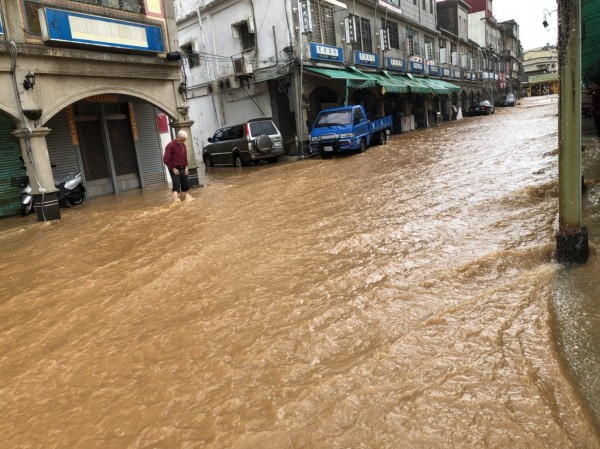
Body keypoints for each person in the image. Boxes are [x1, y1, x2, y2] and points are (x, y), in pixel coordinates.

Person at [163, 130, 190, 202]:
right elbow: (165, 159)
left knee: (185, 187)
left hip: (183, 168)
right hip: (174, 169)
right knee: (176, 187)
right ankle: (175, 204)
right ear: (177, 137)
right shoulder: (170, 146)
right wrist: (173, 169)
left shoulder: (183, 146)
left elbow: (185, 158)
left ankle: (182, 203)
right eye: (181, 140)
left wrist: (186, 168)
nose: (182, 142)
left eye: (184, 140)